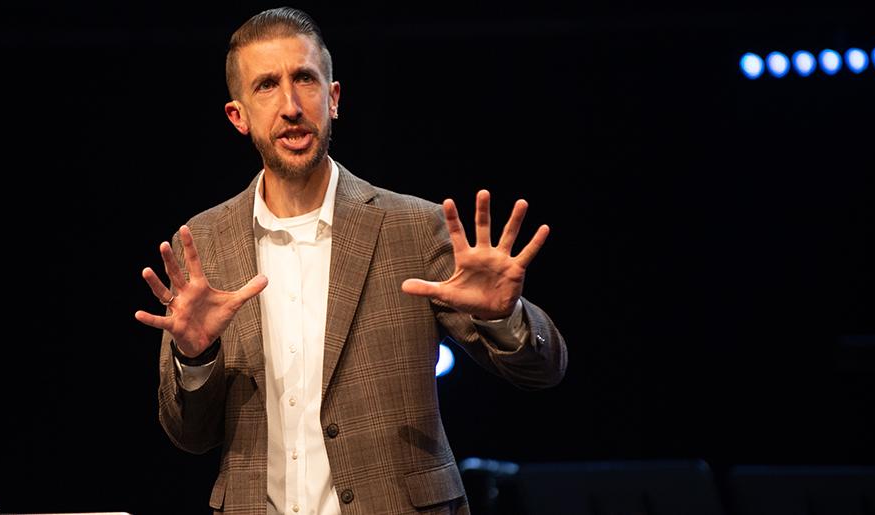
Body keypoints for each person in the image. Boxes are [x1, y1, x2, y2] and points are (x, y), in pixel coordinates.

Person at [134, 7, 567, 514]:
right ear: (239, 116)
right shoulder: (203, 244)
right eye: (267, 86)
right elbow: (188, 436)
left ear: (333, 98)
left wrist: (502, 316)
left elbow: (544, 370)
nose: (291, 105)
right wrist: (195, 359)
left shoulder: (411, 227)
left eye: (305, 79)